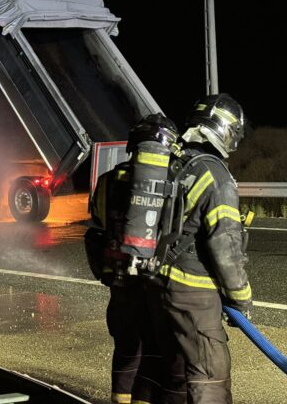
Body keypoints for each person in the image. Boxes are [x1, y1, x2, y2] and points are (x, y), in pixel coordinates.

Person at [152, 93, 253, 404]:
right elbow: (225, 246)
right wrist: (241, 298)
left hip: (157, 283)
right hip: (193, 291)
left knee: (174, 372)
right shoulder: (217, 176)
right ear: (226, 131)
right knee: (210, 374)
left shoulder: (174, 163)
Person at [86, 113, 179, 404]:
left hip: (120, 283)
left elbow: (98, 224)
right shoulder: (171, 182)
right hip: (155, 286)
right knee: (154, 358)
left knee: (126, 354)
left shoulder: (107, 181)